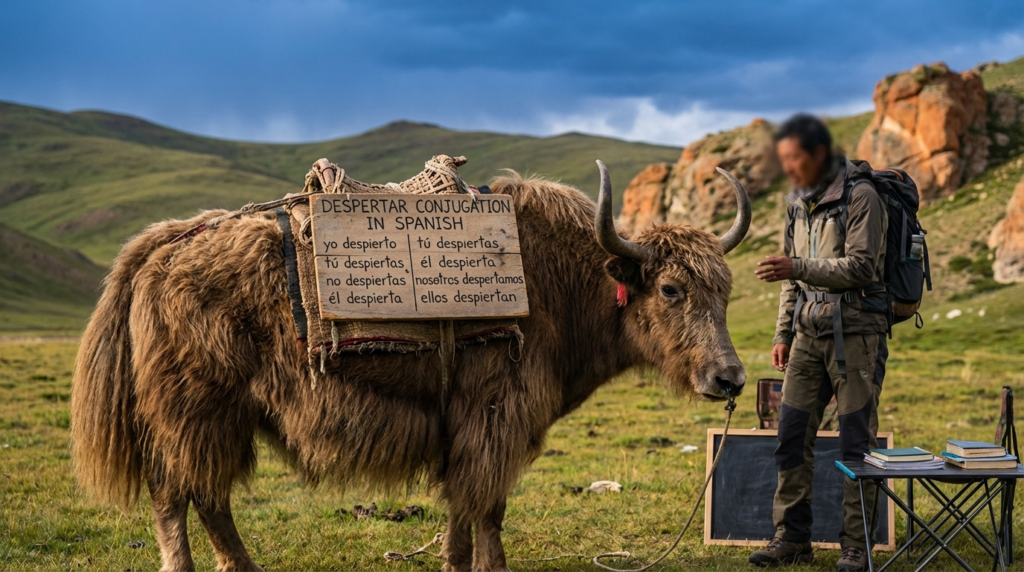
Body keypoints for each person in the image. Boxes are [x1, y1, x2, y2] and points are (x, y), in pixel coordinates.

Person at [749, 114, 889, 572]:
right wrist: (783, 334)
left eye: (795, 158)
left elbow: (862, 267)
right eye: (784, 159)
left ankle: (857, 546)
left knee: (856, 445)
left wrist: (797, 267)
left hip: (857, 335)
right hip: (807, 337)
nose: (788, 167)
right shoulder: (796, 203)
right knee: (790, 436)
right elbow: (791, 281)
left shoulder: (862, 196)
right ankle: (792, 539)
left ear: (819, 153)